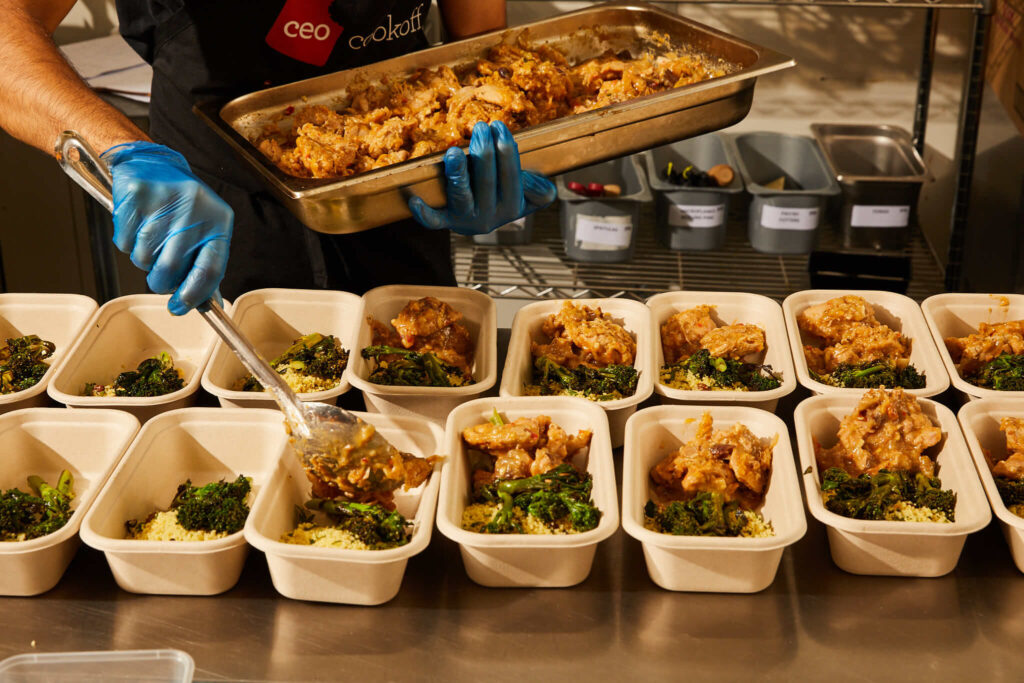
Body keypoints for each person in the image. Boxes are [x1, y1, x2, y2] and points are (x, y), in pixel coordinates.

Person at [0, 0, 556, 313]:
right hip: (210, 197)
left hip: (398, 189)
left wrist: (496, 139)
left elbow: (479, 30)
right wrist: (122, 151)